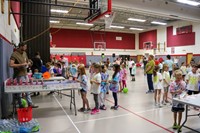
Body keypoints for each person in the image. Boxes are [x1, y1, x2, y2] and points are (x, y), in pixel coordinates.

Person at [9, 42, 38, 108]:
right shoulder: (14, 54)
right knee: (20, 90)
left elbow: (27, 61)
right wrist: (21, 65)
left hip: (25, 74)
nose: (26, 48)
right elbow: (11, 64)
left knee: (28, 90)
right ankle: (20, 105)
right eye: (25, 46)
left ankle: (30, 104)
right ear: (21, 46)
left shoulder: (25, 53)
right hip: (19, 75)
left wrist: (29, 63)